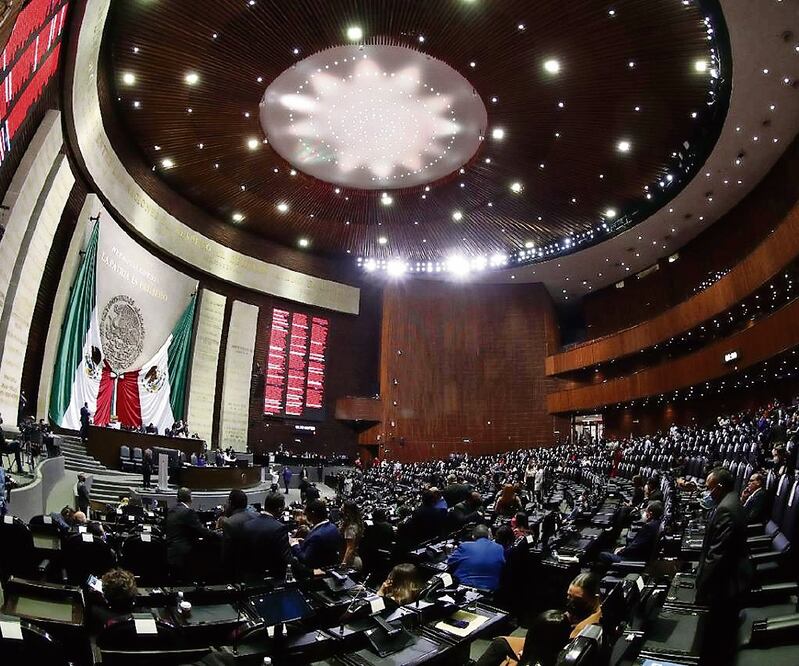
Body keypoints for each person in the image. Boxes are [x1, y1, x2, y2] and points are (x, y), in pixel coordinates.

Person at [696, 467, 752, 666]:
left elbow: (716, 557)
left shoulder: (725, 509)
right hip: (731, 579)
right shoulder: (732, 500)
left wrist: (700, 588)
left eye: (708, 487)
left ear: (719, 487)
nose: (706, 491)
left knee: (715, 640)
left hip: (727, 587)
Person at [241, 492, 294, 580]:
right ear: (279, 509)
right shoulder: (279, 528)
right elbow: (285, 558)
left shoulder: (247, 525)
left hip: (249, 575)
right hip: (270, 579)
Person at [165, 487, 215, 579]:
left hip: (171, 552)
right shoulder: (188, 512)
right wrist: (217, 534)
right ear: (190, 498)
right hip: (184, 555)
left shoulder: (172, 510)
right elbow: (201, 531)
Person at [599, 501, 663, 564]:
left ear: (650, 514)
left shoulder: (649, 527)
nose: (643, 513)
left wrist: (620, 552)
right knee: (607, 550)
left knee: (602, 554)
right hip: (638, 555)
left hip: (635, 559)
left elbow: (635, 547)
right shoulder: (657, 524)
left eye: (646, 511)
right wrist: (624, 548)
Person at [446, 524, 505, 591]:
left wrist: (450, 554)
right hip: (491, 590)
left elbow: (450, 562)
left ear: (473, 536)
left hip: (466, 587)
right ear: (489, 536)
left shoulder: (465, 546)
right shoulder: (499, 547)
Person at [291, 499, 343, 569]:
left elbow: (305, 559)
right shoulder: (333, 527)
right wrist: (305, 542)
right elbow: (320, 548)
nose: (305, 514)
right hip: (329, 566)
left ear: (312, 513)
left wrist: (295, 545)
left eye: (306, 513)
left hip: (316, 572)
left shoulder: (317, 536)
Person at [217, 489, 254, 576]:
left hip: (237, 569)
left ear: (230, 503)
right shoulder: (256, 517)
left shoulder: (229, 522)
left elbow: (226, 553)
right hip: (255, 565)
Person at [340, 500, 364, 569]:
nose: (341, 509)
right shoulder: (357, 523)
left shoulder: (350, 527)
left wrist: (343, 563)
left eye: (342, 508)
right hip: (353, 559)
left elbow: (350, 547)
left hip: (351, 562)